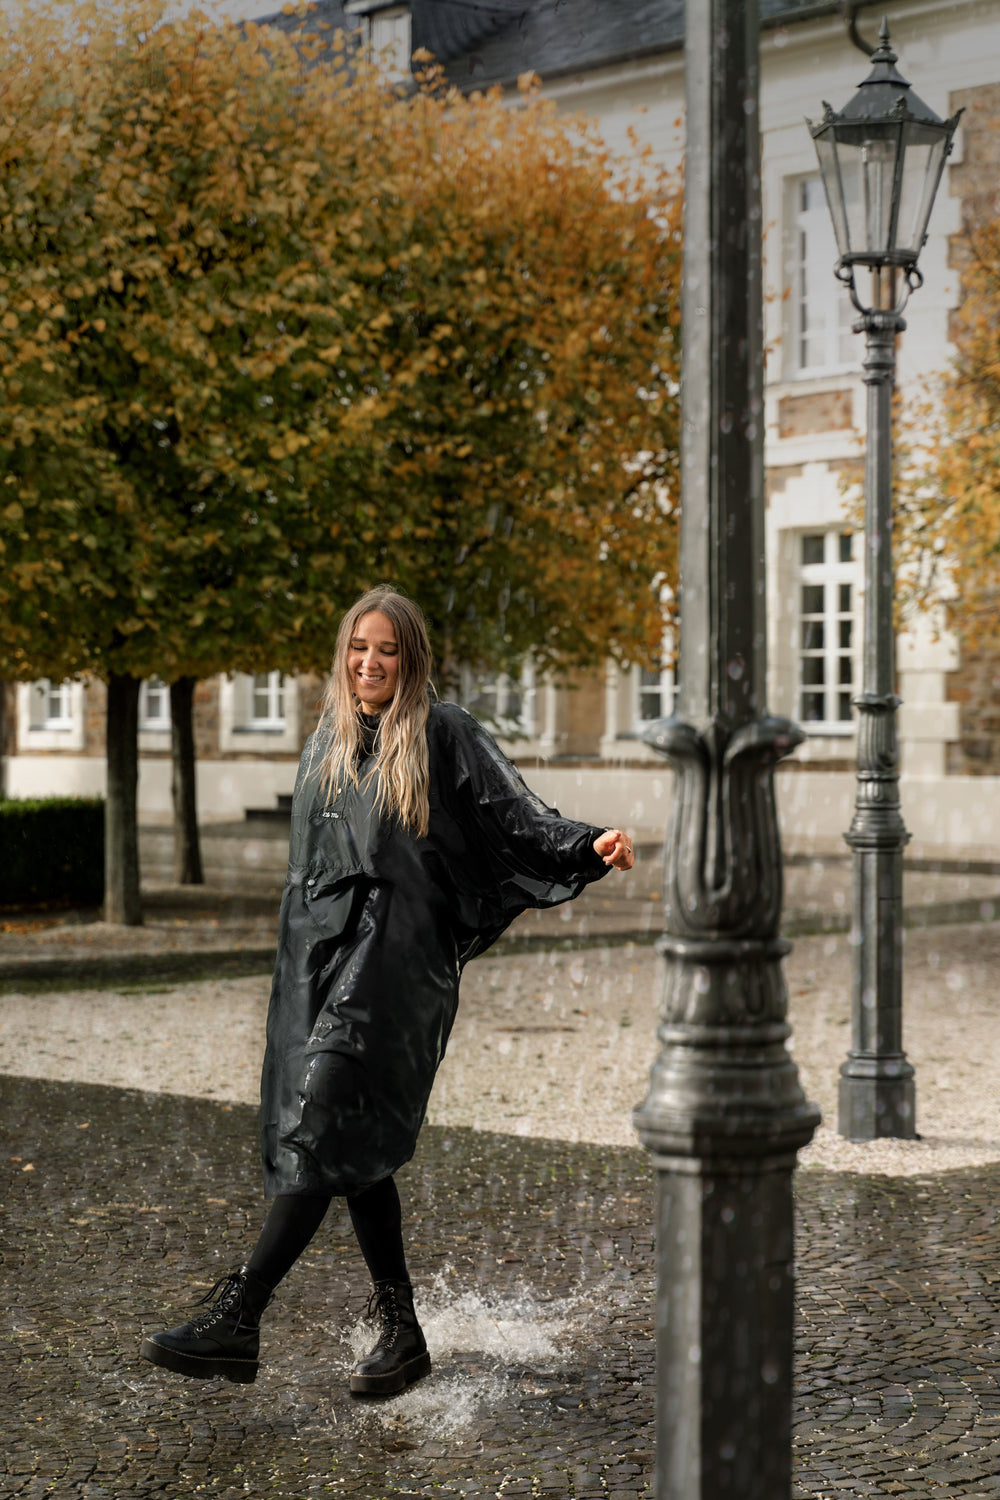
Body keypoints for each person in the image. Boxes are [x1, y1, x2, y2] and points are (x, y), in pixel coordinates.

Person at [140, 587, 634, 1395]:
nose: (370, 663)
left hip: (398, 966)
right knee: (355, 1148)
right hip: (322, 965)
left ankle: (242, 1312)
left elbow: (516, 817)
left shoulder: (444, 732)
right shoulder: (326, 743)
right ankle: (401, 1330)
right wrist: (296, 978)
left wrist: (588, 843)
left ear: (412, 659)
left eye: (388, 650)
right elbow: (309, 877)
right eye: (358, 649)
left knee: (327, 1114)